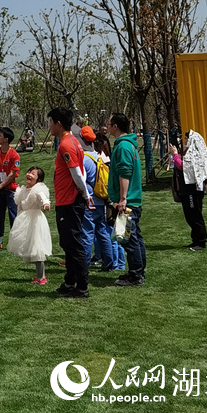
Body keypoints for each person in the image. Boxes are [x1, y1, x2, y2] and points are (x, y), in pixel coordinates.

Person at [48, 107, 94, 298]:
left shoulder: (67, 144)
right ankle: (69, 281)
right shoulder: (73, 141)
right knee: (67, 243)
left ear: (59, 123)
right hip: (68, 200)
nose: (49, 125)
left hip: (69, 201)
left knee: (74, 244)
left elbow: (76, 172)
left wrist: (84, 195)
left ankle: (81, 286)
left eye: (50, 121)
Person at [105, 112, 145, 286]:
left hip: (127, 202)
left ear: (115, 126)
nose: (106, 126)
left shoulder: (122, 147)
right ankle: (138, 271)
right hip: (133, 200)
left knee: (129, 239)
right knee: (135, 237)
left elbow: (124, 174)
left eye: (109, 123)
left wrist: (122, 199)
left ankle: (135, 275)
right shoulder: (129, 145)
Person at [170, 130, 207, 251]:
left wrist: (175, 154)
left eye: (185, 138)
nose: (184, 141)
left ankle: (201, 241)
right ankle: (195, 239)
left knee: (195, 215)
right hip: (186, 190)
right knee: (189, 216)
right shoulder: (188, 152)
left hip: (192, 190)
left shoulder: (194, 153)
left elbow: (183, 167)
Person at [79, 127, 115, 273]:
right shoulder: (97, 156)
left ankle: (84, 265)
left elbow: (80, 180)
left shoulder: (83, 158)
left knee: (87, 233)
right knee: (102, 232)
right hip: (101, 199)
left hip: (89, 201)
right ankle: (109, 263)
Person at [7, 166, 52, 283]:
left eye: (33, 174)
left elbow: (42, 196)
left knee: (37, 247)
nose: (29, 175)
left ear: (38, 179)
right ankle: (39, 276)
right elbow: (20, 207)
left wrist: (46, 203)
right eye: (29, 172)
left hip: (35, 220)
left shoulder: (38, 189)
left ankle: (41, 277)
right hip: (25, 220)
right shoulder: (22, 191)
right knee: (30, 246)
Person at [96, 132, 125, 271]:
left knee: (112, 235)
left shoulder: (102, 163)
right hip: (121, 201)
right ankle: (121, 263)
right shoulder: (112, 160)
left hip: (112, 202)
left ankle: (115, 264)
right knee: (120, 236)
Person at [0, 127, 20, 249]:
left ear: (6, 140)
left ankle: (16, 241)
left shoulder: (14, 155)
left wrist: (1, 185)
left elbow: (12, 174)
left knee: (14, 215)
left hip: (10, 190)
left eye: (0, 136)